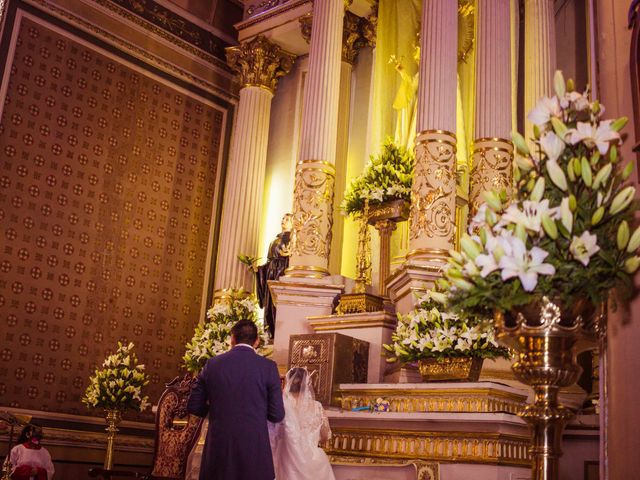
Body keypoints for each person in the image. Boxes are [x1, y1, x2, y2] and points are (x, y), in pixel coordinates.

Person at [187, 319, 285, 480]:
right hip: (254, 450)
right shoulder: (268, 367)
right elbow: (277, 414)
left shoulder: (212, 364)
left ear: (232, 339)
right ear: (257, 341)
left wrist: (216, 412)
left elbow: (194, 406)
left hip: (219, 448)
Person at [270, 368, 335, 480]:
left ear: (288, 382)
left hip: (286, 459)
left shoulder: (281, 406)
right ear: (307, 383)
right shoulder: (317, 407)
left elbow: (273, 434)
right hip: (313, 458)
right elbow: (325, 435)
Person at [256, 213, 293, 338]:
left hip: (281, 275)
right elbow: (269, 262)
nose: (284, 221)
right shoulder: (274, 241)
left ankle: (279, 333)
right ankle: (269, 333)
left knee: (278, 306)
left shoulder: (293, 240)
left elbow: (290, 259)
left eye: (287, 219)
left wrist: (286, 256)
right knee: (269, 306)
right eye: (283, 218)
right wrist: (259, 270)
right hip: (271, 276)